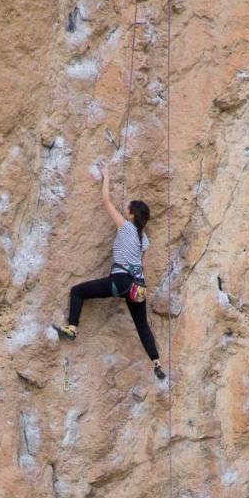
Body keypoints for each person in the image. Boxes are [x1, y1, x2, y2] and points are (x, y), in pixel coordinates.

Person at [53, 161, 166, 380]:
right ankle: (156, 362)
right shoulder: (145, 240)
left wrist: (106, 175)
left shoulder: (125, 227)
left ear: (132, 214)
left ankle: (72, 328)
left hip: (121, 281)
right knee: (142, 325)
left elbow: (106, 201)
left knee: (77, 291)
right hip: (138, 288)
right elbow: (141, 265)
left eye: (128, 209)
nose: (125, 210)